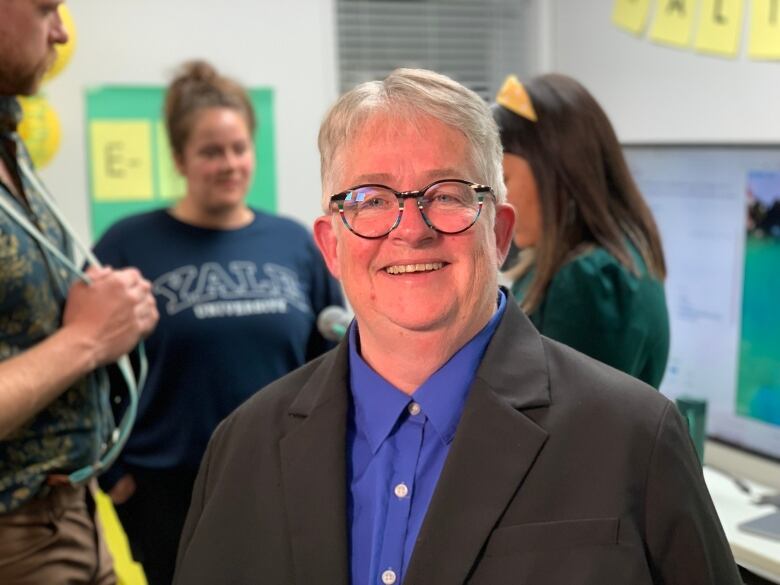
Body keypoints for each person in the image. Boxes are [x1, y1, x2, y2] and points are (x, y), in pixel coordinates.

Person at [172, 68, 741, 584]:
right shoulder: (241, 448)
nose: (410, 230)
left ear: (498, 232)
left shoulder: (635, 437)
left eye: (447, 194)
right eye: (370, 199)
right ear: (330, 245)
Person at [92, 60, 344, 585]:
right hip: (167, 490)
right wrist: (114, 474)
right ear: (181, 159)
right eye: (210, 152)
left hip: (281, 478)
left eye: (238, 148)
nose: (229, 164)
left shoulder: (293, 242)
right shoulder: (126, 246)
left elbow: (331, 362)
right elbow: (91, 369)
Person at [0, 1, 158, 583]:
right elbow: (80, 340)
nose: (63, 32)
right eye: (45, 9)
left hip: (74, 512)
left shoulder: (10, 145)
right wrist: (89, 338)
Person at [494, 73, 670, 388]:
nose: (500, 201)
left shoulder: (586, 280)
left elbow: (558, 418)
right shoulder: (623, 256)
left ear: (556, 174)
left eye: (505, 180)